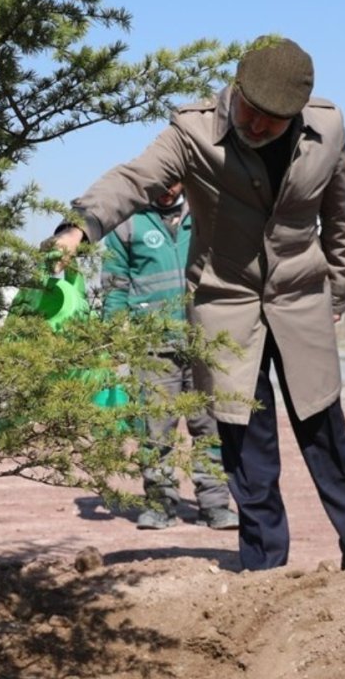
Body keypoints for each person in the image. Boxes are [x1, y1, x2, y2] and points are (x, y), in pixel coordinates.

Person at [51, 37, 345, 573]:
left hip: (302, 302)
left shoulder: (329, 129)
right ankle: (264, 568)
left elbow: (340, 217)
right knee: (248, 449)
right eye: (250, 113)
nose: (256, 127)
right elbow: (133, 179)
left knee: (327, 439)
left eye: (273, 122)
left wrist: (337, 293)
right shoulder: (193, 132)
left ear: (297, 113)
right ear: (236, 89)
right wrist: (78, 228)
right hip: (225, 305)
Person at [102, 182, 239, 530]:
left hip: (203, 341)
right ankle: (160, 505)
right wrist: (112, 334)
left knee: (209, 428)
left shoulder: (207, 214)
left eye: (173, 183)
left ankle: (215, 504)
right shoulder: (128, 223)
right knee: (155, 430)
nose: (166, 191)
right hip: (153, 346)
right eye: (159, 185)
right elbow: (115, 286)